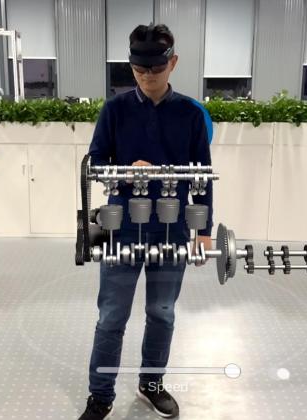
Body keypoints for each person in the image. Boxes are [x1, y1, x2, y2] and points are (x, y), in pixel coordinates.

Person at [78, 24, 214, 419]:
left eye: (155, 68)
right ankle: (100, 395)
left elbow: (203, 176)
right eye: (139, 70)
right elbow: (95, 163)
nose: (147, 76)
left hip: (171, 227)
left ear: (173, 63)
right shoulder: (114, 110)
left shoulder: (190, 114)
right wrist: (124, 171)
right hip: (119, 223)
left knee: (162, 312)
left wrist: (204, 231)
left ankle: (151, 384)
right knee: (111, 316)